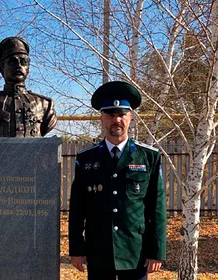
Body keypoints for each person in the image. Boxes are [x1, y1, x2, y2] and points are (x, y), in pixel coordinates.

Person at [69, 81, 166, 280]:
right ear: (102, 118)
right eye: (111, 115)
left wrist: (156, 251)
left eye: (121, 114)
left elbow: (157, 208)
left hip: (135, 251)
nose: (117, 120)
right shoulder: (86, 159)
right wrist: (77, 248)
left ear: (130, 117)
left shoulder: (148, 157)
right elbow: (78, 207)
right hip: (98, 252)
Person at [0, 36, 57, 137]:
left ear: (28, 67)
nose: (19, 66)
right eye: (13, 62)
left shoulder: (45, 105)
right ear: (2, 67)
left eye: (24, 61)